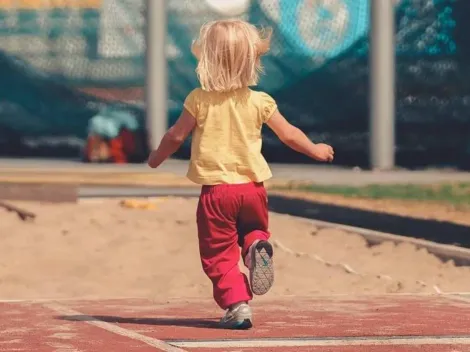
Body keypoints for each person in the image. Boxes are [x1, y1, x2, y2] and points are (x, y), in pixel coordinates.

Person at [147, 19, 334, 329]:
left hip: (218, 193)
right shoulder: (260, 101)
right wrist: (314, 149)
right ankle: (255, 247)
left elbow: (176, 136)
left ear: (206, 60)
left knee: (218, 253)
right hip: (253, 188)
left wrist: (156, 157)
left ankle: (238, 305)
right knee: (253, 229)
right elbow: (288, 135)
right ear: (254, 59)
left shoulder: (199, 100)